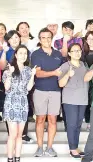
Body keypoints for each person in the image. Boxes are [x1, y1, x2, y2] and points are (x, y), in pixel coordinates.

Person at [31, 28, 63, 157]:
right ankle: (39, 147)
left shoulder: (58, 54)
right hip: (40, 91)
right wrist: (54, 73)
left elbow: (63, 72)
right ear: (40, 39)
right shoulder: (36, 54)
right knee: (40, 119)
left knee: (52, 120)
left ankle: (49, 147)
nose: (46, 40)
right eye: (43, 37)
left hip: (55, 91)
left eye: (49, 37)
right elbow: (38, 73)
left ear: (52, 38)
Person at [3, 45, 36, 162]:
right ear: (16, 55)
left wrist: (32, 75)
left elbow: (29, 88)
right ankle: (10, 158)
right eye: (21, 53)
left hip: (23, 102)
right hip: (11, 103)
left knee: (20, 134)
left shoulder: (28, 70)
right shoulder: (9, 69)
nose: (23, 55)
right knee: (13, 133)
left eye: (25, 53)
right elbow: (6, 88)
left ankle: (17, 158)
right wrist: (10, 74)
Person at [58, 43, 89, 158]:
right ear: (70, 53)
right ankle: (72, 148)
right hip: (70, 100)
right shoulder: (65, 66)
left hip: (83, 99)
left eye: (79, 50)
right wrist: (68, 75)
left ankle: (75, 146)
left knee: (78, 125)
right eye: (74, 51)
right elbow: (61, 84)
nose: (77, 52)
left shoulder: (84, 65)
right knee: (71, 124)